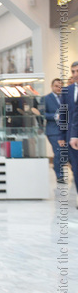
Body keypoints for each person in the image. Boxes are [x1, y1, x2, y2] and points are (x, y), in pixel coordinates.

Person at [43, 78, 67, 183]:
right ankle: (59, 175)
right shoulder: (46, 99)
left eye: (60, 86)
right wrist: (55, 116)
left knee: (65, 153)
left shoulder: (65, 97)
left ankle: (57, 167)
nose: (58, 88)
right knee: (58, 152)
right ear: (52, 86)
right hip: (53, 130)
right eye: (56, 86)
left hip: (65, 130)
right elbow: (42, 113)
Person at [64, 62, 78, 195]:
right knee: (76, 168)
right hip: (72, 135)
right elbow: (65, 115)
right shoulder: (68, 90)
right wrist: (62, 136)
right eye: (73, 71)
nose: (75, 74)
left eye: (77, 71)